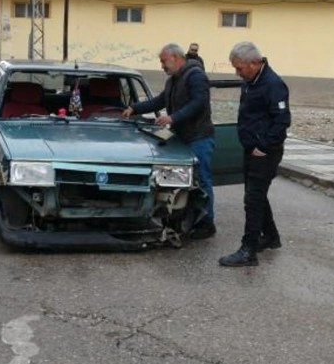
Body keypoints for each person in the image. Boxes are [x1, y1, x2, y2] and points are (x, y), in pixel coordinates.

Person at [122, 43, 216, 240]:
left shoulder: (195, 76)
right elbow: (160, 101)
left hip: (198, 137)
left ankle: (207, 224)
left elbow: (199, 103)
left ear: (176, 58)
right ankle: (185, 218)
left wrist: (173, 118)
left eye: (164, 61)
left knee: (201, 181)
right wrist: (135, 108)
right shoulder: (173, 80)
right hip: (182, 138)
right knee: (183, 181)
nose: (162, 66)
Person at [219, 42, 291, 267]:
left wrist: (264, 146)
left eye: (239, 68)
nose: (237, 73)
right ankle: (270, 236)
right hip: (251, 149)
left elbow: (282, 121)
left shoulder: (273, 84)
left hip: (264, 153)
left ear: (254, 63)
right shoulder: (250, 81)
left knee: (252, 200)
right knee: (256, 194)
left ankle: (248, 251)